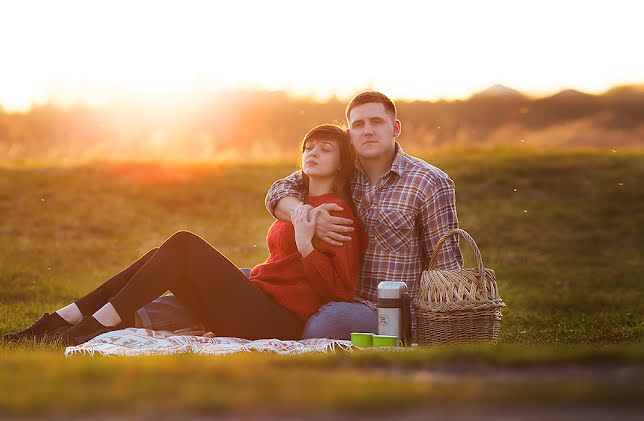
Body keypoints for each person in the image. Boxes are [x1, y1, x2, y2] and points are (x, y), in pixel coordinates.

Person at [135, 91, 463, 339]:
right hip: (319, 283)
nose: (367, 131)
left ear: (396, 127)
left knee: (323, 322)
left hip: (378, 307)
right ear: (349, 133)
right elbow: (277, 193)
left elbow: (448, 266)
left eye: (376, 122)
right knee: (245, 278)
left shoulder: (429, 182)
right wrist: (310, 216)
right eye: (358, 124)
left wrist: (440, 326)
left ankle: (278, 348)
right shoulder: (345, 171)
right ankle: (138, 317)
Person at [3, 124, 367, 346]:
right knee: (164, 254)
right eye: (308, 147)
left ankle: (95, 324)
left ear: (341, 162)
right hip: (253, 300)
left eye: (325, 149)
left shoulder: (338, 215)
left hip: (277, 320)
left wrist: (307, 248)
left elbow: (340, 291)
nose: (313, 153)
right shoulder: (297, 201)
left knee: (183, 244)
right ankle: (64, 318)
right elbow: (276, 207)